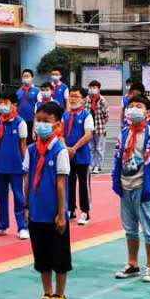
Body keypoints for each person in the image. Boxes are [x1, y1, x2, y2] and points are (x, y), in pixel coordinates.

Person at [112, 93, 150, 282]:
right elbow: (117, 159)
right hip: (125, 186)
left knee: (149, 229)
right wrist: (116, 181)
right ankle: (132, 263)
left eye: (139, 106)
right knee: (129, 229)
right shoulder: (124, 134)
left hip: (143, 188)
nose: (134, 109)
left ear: (147, 112)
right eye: (132, 106)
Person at [26, 102, 71, 299]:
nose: (41, 124)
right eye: (39, 120)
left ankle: (60, 296)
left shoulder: (60, 151)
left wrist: (61, 214)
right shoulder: (32, 150)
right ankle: (47, 293)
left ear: (57, 125)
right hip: (36, 213)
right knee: (41, 257)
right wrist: (26, 206)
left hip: (54, 214)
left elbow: (61, 184)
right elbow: (27, 180)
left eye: (46, 121)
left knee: (59, 257)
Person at [0, 89, 29, 239]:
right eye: (1, 102)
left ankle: (22, 227)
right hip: (0, 166)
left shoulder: (20, 123)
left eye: (5, 103)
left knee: (19, 197)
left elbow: (23, 145)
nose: (2, 105)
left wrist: (25, 164)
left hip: (16, 166)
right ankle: (2, 225)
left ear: (14, 105)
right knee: (0, 196)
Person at [63, 86, 93, 224]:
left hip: (82, 155)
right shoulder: (65, 115)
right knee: (69, 182)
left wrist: (74, 148)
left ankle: (85, 212)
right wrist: (66, 148)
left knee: (83, 184)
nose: (73, 99)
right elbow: (60, 133)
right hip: (67, 155)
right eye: (71, 96)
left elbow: (88, 135)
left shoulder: (86, 115)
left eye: (76, 96)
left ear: (83, 99)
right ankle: (71, 209)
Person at [87, 79, 110, 174]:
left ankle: (98, 166)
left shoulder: (102, 100)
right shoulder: (87, 99)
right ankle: (91, 165)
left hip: (100, 128)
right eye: (91, 87)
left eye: (94, 87)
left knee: (99, 148)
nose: (92, 89)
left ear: (99, 89)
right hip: (89, 128)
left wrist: (101, 125)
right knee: (90, 147)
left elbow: (106, 115)